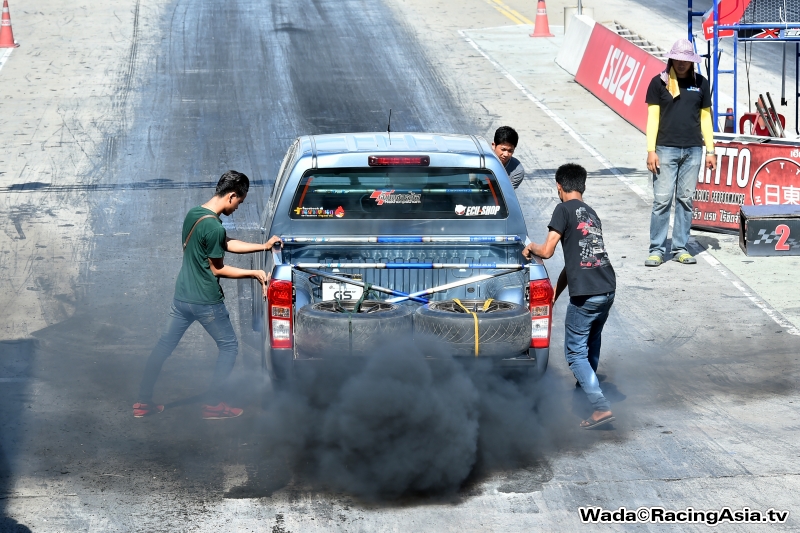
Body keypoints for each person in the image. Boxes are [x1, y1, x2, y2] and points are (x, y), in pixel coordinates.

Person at [133, 170, 282, 419]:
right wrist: (255, 273)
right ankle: (213, 404)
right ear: (232, 195)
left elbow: (224, 242)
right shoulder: (214, 226)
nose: (237, 208)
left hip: (182, 298)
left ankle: (142, 402)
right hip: (206, 301)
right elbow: (218, 268)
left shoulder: (195, 215)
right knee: (229, 347)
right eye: (239, 202)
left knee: (163, 347)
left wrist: (263, 246)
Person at [523, 164, 616, 429]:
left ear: (559, 187)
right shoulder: (591, 213)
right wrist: (556, 294)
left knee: (575, 353)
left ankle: (599, 407)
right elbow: (576, 262)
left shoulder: (563, 209)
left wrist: (531, 248)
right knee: (591, 343)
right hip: (607, 288)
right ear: (583, 186)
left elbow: (548, 250)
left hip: (586, 295)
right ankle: (584, 394)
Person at [644, 38, 717, 267]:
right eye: (679, 59)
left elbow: (706, 118)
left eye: (687, 60)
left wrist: (710, 150)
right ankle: (656, 249)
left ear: (692, 61)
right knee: (662, 201)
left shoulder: (701, 84)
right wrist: (650, 150)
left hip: (693, 150)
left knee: (685, 200)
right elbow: (652, 118)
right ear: (672, 58)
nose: (683, 64)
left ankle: (680, 248)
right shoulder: (659, 83)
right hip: (665, 150)